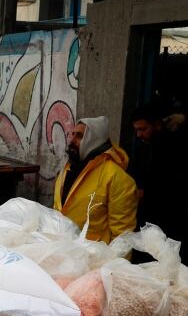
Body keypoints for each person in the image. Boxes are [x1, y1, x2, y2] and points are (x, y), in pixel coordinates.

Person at [53, 116, 137, 243]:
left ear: (94, 140)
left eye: (80, 136)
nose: (72, 140)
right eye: (73, 134)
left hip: (94, 257)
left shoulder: (117, 177)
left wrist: (116, 263)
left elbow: (123, 236)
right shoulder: (68, 168)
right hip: (63, 251)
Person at [129, 104, 187, 262]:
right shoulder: (143, 148)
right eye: (136, 130)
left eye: (143, 129)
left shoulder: (174, 148)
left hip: (168, 219)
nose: (139, 134)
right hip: (147, 220)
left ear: (157, 125)